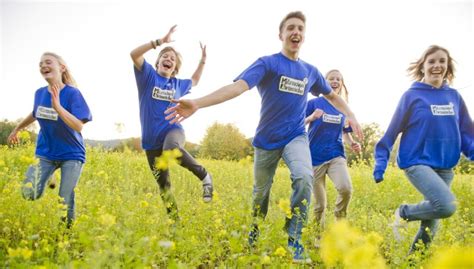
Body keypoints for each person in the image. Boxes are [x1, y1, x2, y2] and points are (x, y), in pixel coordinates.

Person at [164, 12, 363, 262]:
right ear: (281, 34)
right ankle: (255, 229)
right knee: (261, 193)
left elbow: (332, 96)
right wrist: (197, 103)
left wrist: (352, 115)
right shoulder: (267, 63)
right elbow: (236, 88)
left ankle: (294, 237)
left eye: (300, 28)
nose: (296, 32)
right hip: (266, 140)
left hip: (296, 136)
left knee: (304, 177)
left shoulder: (310, 71)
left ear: (304, 35)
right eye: (290, 28)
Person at [373, 45, 473, 253]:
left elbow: (466, 133)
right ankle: (403, 212)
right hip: (417, 162)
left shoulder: (453, 96)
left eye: (442, 61)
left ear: (447, 66)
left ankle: (413, 262)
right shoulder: (411, 96)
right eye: (432, 61)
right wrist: (380, 163)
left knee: (431, 225)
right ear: (423, 66)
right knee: (446, 206)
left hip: (445, 167)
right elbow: (392, 131)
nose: (437, 65)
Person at [130, 25, 213, 222]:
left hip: (172, 130)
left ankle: (205, 177)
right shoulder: (147, 76)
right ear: (158, 62)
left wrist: (202, 61)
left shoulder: (178, 85)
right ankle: (175, 225)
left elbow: (195, 80)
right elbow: (134, 54)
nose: (168, 59)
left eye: (172, 59)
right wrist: (160, 42)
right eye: (165, 56)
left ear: (175, 68)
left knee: (171, 149)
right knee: (164, 187)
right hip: (150, 141)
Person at [8, 52, 92, 227]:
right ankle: (51, 175)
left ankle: (65, 235)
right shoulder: (39, 93)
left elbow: (79, 125)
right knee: (28, 193)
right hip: (46, 152)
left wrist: (58, 107)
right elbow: (34, 113)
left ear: (61, 68)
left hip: (71, 154)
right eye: (40, 64)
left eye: (47, 62)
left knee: (65, 198)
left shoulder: (72, 93)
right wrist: (17, 128)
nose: (43, 66)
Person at [305, 69, 361, 246]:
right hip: (314, 157)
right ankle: (317, 236)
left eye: (338, 79)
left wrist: (352, 142)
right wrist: (312, 117)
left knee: (346, 188)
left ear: (342, 83)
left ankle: (339, 224)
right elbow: (298, 121)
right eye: (331, 79)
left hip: (336, 154)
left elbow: (345, 132)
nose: (335, 81)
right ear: (324, 82)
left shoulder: (343, 107)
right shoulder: (314, 103)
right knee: (320, 205)